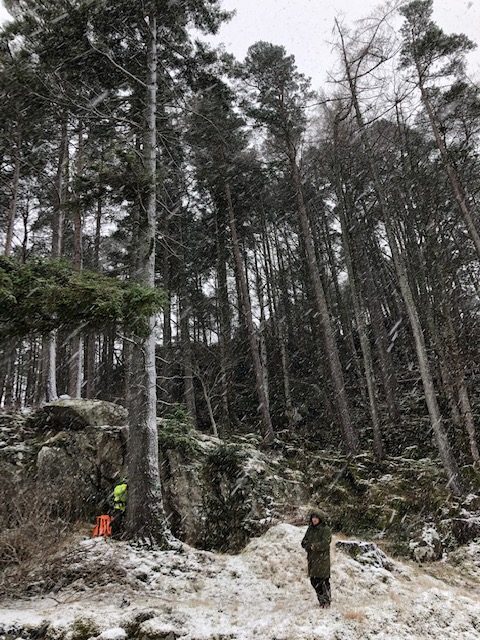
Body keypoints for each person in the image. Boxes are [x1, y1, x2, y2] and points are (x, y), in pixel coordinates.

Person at [301, 511, 332, 608]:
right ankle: (321, 600)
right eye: (313, 517)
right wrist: (307, 545)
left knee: (323, 580)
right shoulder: (310, 529)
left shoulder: (325, 529)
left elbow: (325, 543)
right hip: (312, 559)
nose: (314, 519)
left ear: (320, 519)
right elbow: (304, 541)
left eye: (316, 518)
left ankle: (326, 601)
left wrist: (314, 546)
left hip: (322, 559)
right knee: (313, 580)